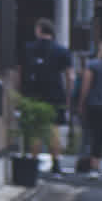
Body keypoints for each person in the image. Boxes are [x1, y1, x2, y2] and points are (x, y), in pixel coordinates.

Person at [21, 19, 75, 170]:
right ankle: (56, 163)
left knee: (35, 129)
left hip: (34, 94)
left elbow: (21, 72)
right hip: (56, 94)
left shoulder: (29, 48)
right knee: (54, 128)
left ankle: (33, 162)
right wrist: (69, 96)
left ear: (39, 30)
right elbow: (70, 76)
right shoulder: (62, 51)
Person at [79, 41, 102, 175]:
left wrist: (81, 102)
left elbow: (86, 85)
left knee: (93, 134)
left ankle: (93, 166)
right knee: (100, 136)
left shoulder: (93, 65)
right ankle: (95, 164)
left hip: (95, 104)